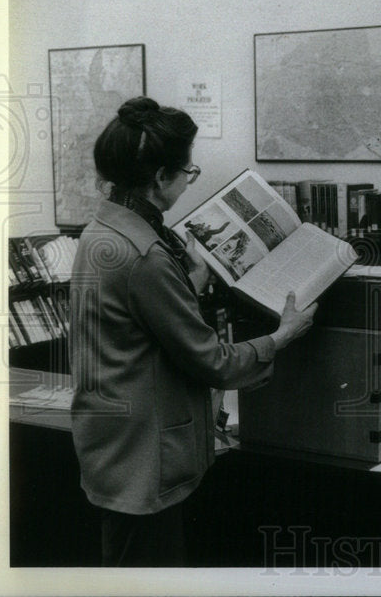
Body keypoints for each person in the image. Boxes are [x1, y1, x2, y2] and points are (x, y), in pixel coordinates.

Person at [69, 96, 318, 567]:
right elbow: (214, 362)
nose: (187, 181)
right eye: (188, 172)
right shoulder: (145, 255)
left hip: (115, 449)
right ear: (161, 177)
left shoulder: (101, 231)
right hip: (144, 462)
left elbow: (134, 323)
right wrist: (283, 334)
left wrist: (191, 284)